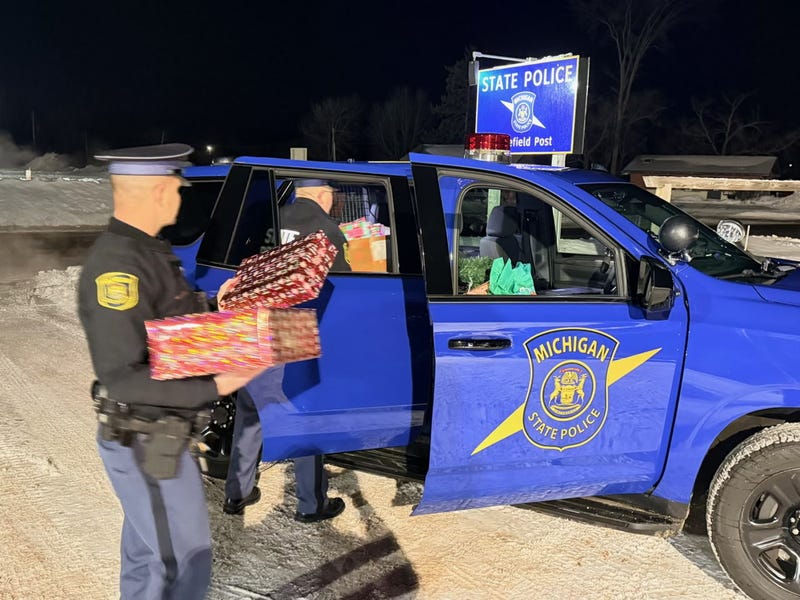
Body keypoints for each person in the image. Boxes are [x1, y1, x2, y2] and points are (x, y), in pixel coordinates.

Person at [78, 143, 264, 599]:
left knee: (148, 562)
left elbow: (167, 326)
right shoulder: (117, 266)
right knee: (184, 562)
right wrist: (218, 384)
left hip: (159, 437)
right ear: (157, 191)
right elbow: (122, 376)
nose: (182, 196)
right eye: (177, 188)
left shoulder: (147, 250)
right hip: (143, 439)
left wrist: (219, 304)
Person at [223, 178, 349, 523]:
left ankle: (237, 493)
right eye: (332, 197)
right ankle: (311, 503)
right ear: (324, 196)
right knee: (305, 415)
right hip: (292, 329)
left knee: (250, 413)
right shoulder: (326, 231)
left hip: (254, 324)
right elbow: (344, 287)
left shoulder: (270, 220)